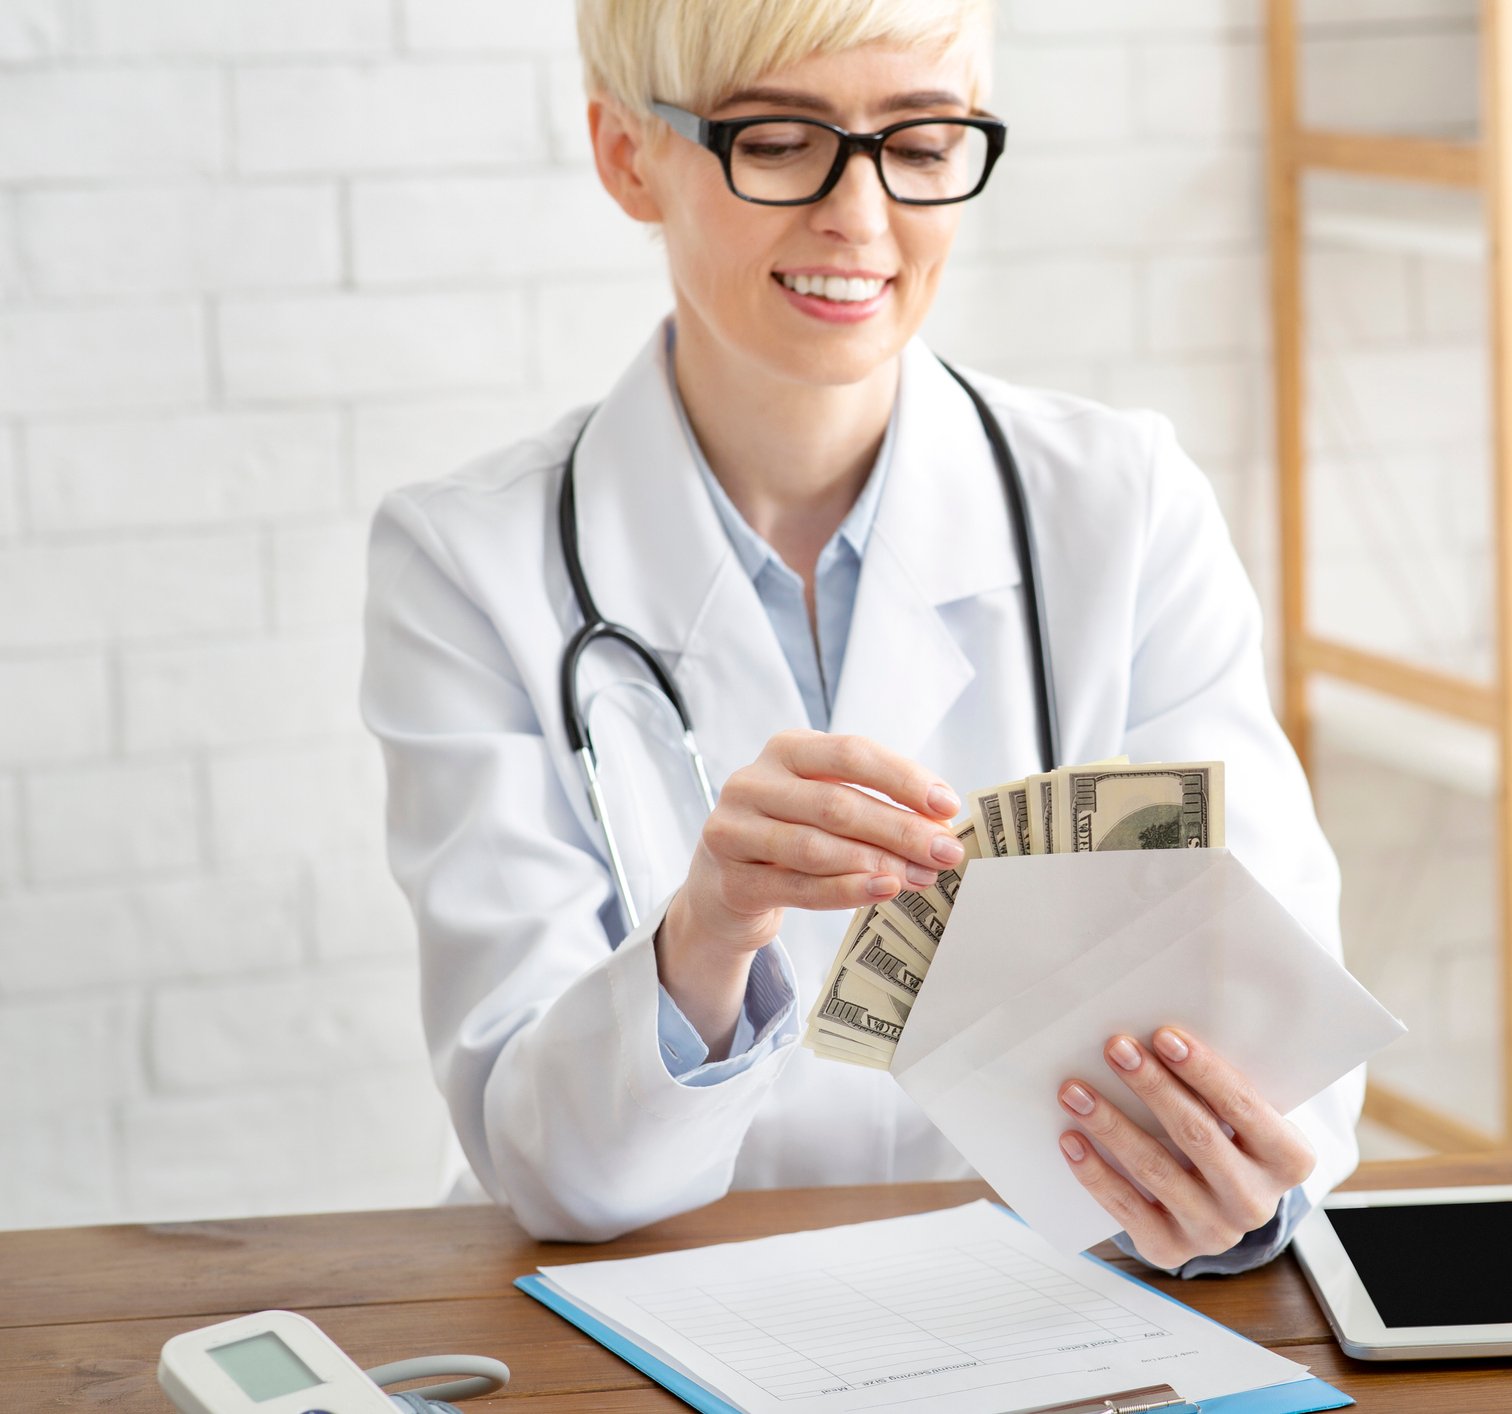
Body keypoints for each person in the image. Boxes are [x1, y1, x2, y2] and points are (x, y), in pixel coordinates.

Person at [359, 0, 1361, 1274]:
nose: (861, 214)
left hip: (1044, 1306)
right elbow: (549, 1162)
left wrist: (1235, 1191)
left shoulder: (1126, 507)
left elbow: (1288, 1050)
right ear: (627, 155)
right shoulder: (468, 564)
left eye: (923, 144)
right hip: (633, 1312)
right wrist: (706, 931)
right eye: (779, 141)